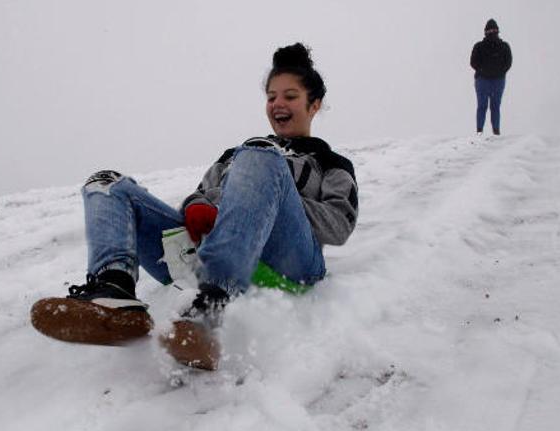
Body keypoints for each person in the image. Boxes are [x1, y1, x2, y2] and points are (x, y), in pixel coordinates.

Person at [31, 43, 358, 370]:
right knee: (106, 183)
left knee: (259, 152)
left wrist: (266, 201)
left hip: (290, 263)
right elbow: (201, 193)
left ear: (314, 105)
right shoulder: (235, 156)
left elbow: (338, 225)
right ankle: (114, 292)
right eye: (271, 97)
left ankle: (210, 305)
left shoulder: (329, 163)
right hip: (208, 250)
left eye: (290, 96)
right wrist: (199, 207)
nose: (277, 104)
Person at [470, 19, 512, 135]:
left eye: (493, 30)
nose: (492, 32)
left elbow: (473, 63)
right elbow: (508, 63)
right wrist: (499, 72)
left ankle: (482, 131)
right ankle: (493, 131)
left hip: (485, 80)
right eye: (491, 30)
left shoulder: (480, 46)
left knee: (485, 106)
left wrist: (483, 70)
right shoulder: (503, 46)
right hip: (493, 80)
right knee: (492, 106)